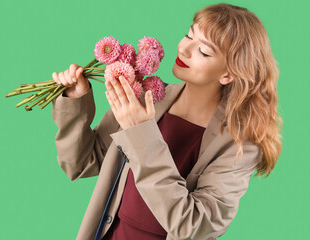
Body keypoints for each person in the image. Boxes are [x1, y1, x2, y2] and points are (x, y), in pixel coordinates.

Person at [51, 3, 283, 240]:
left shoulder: (239, 144)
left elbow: (193, 226)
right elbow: (80, 164)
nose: (184, 49)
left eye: (204, 51)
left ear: (228, 74)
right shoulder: (146, 97)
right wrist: (75, 100)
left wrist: (140, 133)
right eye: (189, 35)